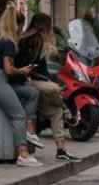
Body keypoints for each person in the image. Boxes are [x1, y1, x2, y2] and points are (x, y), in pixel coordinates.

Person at [0, 4, 42, 167]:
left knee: (31, 93)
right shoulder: (8, 42)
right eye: (21, 27)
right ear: (17, 25)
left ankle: (30, 130)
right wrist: (22, 71)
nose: (21, 31)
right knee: (18, 114)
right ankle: (22, 154)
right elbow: (9, 70)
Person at [17, 13, 82, 163]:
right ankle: (67, 110)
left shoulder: (29, 38)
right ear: (44, 26)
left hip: (36, 81)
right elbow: (28, 65)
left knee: (55, 111)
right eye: (49, 26)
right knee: (56, 90)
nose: (51, 29)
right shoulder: (35, 39)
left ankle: (61, 150)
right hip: (32, 81)